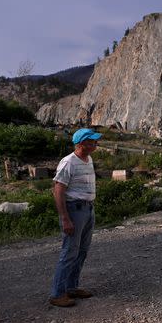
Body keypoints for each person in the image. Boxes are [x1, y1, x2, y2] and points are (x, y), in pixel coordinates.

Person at [49, 128, 102, 307]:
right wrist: (65, 218)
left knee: (82, 251)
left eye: (95, 140)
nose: (96, 143)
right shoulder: (68, 162)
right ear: (81, 144)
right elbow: (58, 190)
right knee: (70, 251)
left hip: (87, 209)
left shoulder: (88, 159)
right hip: (74, 210)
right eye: (92, 141)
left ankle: (71, 287)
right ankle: (57, 293)